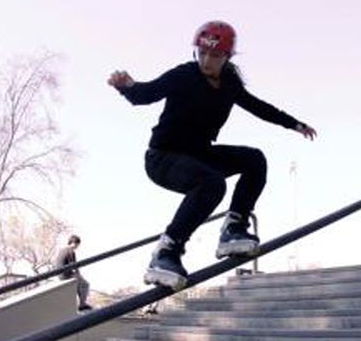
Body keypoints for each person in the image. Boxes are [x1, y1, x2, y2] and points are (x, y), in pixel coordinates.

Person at [108, 20, 317, 289]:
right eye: (202, 53)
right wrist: (126, 85)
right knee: (212, 183)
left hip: (198, 155)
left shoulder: (230, 83)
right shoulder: (184, 75)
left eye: (215, 55)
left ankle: (234, 227)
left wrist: (294, 124)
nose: (206, 61)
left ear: (227, 57)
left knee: (254, 159)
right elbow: (146, 94)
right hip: (163, 158)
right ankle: (166, 251)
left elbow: (257, 106)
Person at [56, 234, 91, 310]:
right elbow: (74, 266)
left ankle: (81, 303)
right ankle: (82, 304)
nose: (77, 247)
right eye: (77, 245)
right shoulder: (70, 251)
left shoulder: (62, 250)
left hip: (60, 275)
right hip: (66, 274)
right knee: (85, 284)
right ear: (74, 243)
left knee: (79, 283)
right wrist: (79, 275)